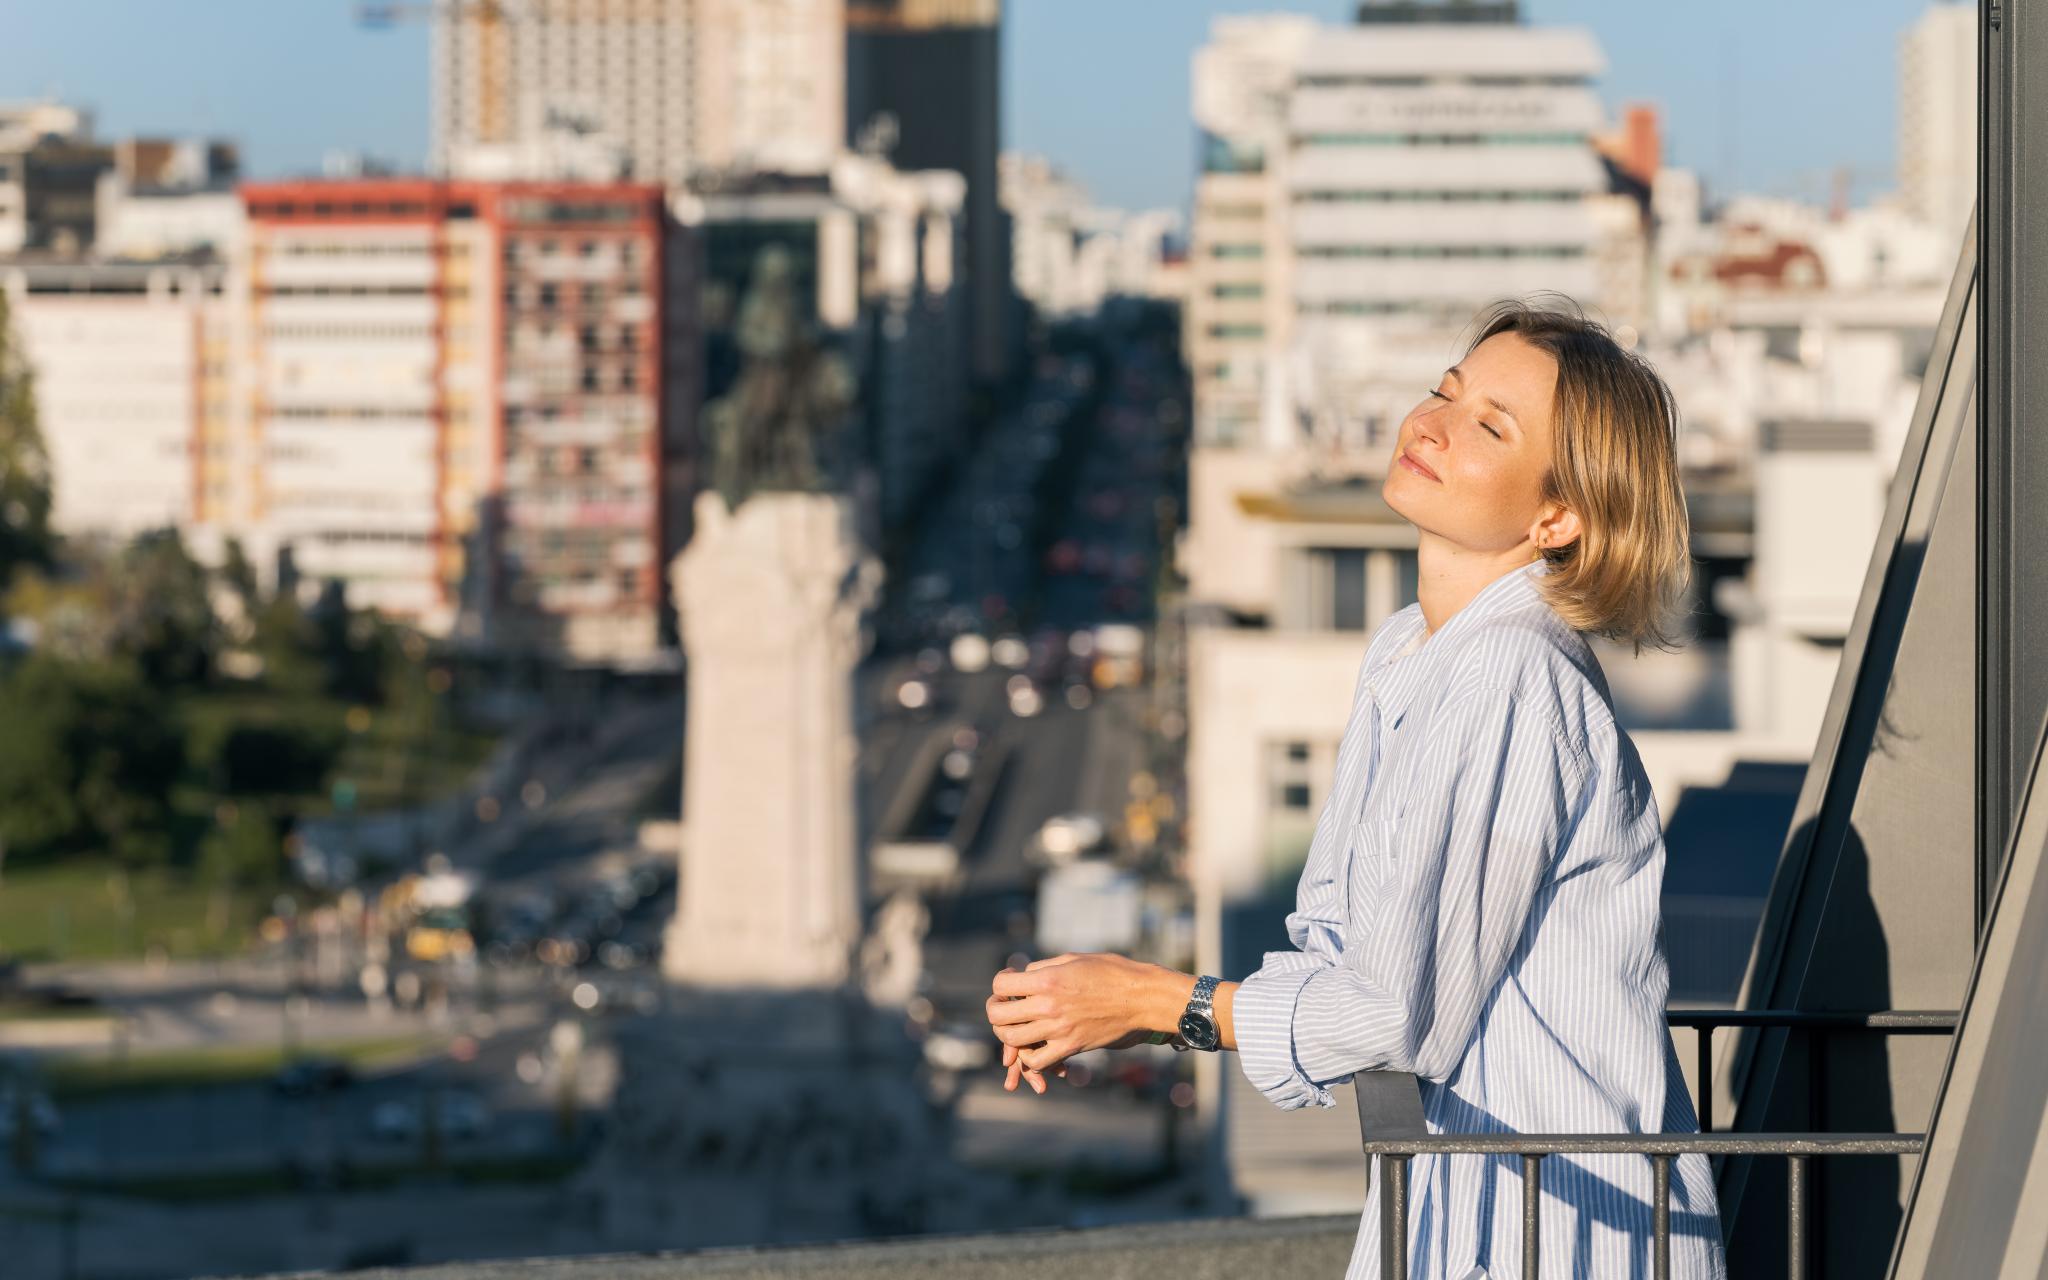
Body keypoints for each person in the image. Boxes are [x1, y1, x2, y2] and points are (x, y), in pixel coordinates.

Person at [986, 297, 1727, 1278]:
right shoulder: (1408, 650)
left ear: (1557, 516)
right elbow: (1333, 943)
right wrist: (1108, 1003)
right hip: (1474, 1208)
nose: (1431, 424)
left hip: (1564, 1229)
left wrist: (1155, 1001)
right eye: (1444, 392)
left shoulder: (1511, 673)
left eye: (1489, 427)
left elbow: (1390, 1012)